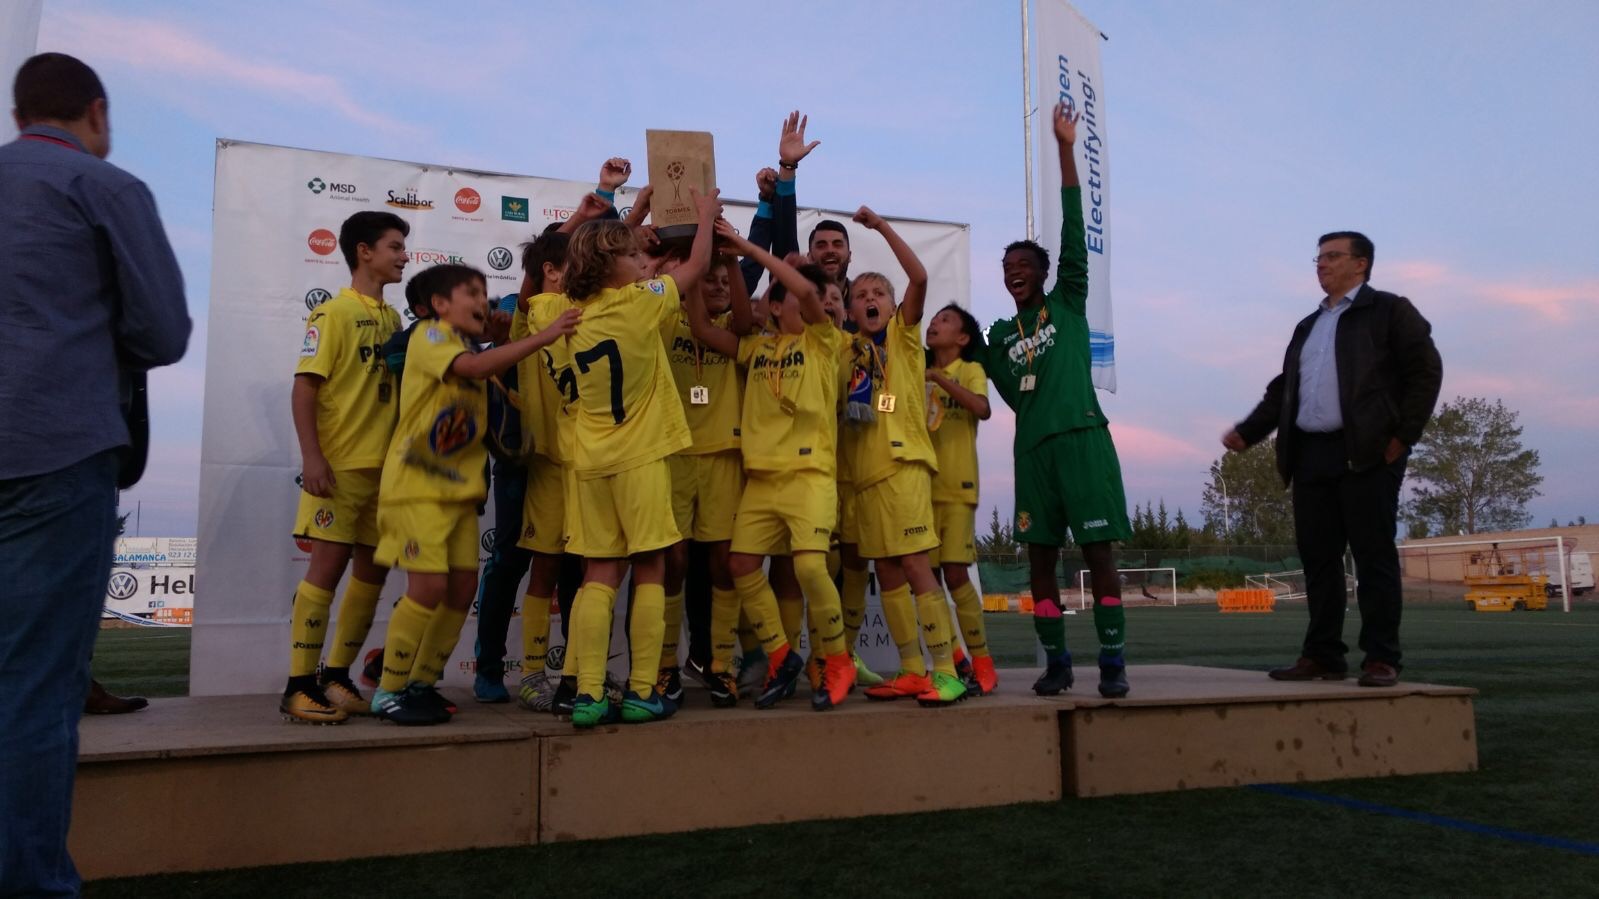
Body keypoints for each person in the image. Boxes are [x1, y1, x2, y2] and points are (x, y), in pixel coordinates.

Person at [0, 52, 190, 897]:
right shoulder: (104, 188)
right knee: (36, 691)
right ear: (96, 111)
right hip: (53, 449)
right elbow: (163, 333)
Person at [1223, 231, 1441, 687]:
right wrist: (1249, 430)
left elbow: (1425, 371)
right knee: (1319, 561)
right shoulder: (1308, 325)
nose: (1320, 264)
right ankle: (1322, 655)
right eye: (1318, 257)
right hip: (1311, 455)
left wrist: (1404, 436)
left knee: (1372, 557)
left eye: (1332, 256)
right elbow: (1285, 389)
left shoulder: (1389, 311)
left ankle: (1382, 658)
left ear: (1360, 264)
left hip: (1367, 453)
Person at [368, 264, 578, 725]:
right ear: (441, 306)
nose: (482, 303)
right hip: (417, 490)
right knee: (426, 590)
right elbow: (477, 367)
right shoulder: (432, 335)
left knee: (462, 589)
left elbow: (489, 371)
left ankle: (422, 682)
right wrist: (543, 335)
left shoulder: (468, 344)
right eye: (471, 294)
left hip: (462, 494)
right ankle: (389, 690)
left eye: (484, 294)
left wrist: (504, 341)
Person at [982, 103, 1132, 699]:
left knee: (1099, 556)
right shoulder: (998, 337)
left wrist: (1065, 149)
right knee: (1040, 563)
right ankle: (1058, 661)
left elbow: (1074, 224)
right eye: (1007, 267)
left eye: (1024, 265)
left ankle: (1114, 663)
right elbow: (992, 384)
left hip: (1083, 441)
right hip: (1033, 454)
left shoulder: (1067, 299)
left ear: (1044, 273)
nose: (1014, 272)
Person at [561, 188, 721, 728]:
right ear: (610, 264)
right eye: (632, 255)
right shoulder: (642, 299)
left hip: (591, 460)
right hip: (641, 454)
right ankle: (641, 690)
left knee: (599, 573)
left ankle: (586, 694)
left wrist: (631, 221)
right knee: (650, 566)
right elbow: (697, 264)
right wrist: (705, 217)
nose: (641, 261)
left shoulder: (573, 315)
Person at [686, 223, 853, 711]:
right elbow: (700, 328)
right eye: (798, 301)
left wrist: (747, 249)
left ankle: (838, 661)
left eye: (819, 301)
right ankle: (783, 655)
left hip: (808, 476)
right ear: (774, 308)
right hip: (761, 478)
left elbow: (804, 286)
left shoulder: (825, 343)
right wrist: (696, 272)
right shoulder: (755, 347)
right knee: (739, 566)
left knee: (806, 566)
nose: (814, 303)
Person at [281, 209, 410, 723]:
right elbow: (305, 387)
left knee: (372, 572)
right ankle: (297, 685)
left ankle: (336, 676)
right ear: (364, 251)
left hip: (385, 469)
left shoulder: (395, 319)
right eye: (395, 246)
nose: (404, 256)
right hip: (341, 467)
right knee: (326, 571)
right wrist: (313, 456)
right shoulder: (332, 313)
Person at [839, 207, 966, 708]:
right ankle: (912, 669)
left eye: (878, 295)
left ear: (893, 307)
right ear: (850, 310)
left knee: (914, 566)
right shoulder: (847, 350)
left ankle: (945, 670)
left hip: (904, 465)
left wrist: (881, 229)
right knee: (886, 573)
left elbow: (918, 276)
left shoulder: (904, 339)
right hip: (866, 476)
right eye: (861, 297)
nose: (870, 302)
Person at [925, 302, 997, 695]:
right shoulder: (919, 372)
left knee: (955, 573)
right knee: (928, 579)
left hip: (957, 487)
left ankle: (984, 662)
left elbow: (981, 408)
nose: (935, 324)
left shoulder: (970, 370)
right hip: (921, 489)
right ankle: (956, 662)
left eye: (945, 320)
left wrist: (940, 379)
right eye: (933, 320)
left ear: (964, 338)